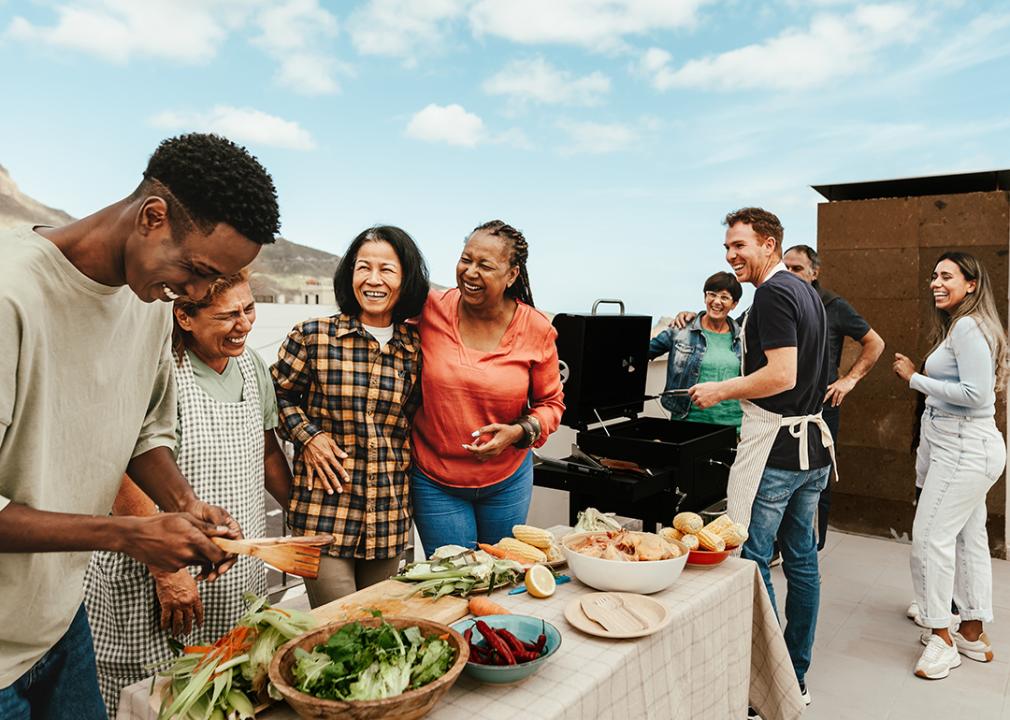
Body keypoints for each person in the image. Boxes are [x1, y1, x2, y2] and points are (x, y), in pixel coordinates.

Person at [0, 133, 280, 718]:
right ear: (153, 217)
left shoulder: (147, 302)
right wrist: (131, 535)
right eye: (197, 270)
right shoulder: (11, 296)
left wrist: (182, 500)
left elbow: (143, 430)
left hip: (57, 622)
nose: (198, 294)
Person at [82, 271, 291, 714]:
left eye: (249, 309)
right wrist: (166, 571)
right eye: (228, 315)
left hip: (233, 572)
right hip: (155, 571)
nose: (245, 325)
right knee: (153, 698)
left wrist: (299, 512)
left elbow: (268, 451)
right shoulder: (154, 365)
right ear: (185, 316)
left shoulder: (251, 366)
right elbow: (120, 469)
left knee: (227, 690)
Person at [688, 207, 831, 708]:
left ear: (769, 244)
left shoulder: (772, 294)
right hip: (812, 449)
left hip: (775, 447)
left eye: (740, 246)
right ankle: (797, 675)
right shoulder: (806, 291)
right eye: (727, 247)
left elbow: (782, 374)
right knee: (802, 560)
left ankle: (769, 683)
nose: (732, 256)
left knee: (750, 560)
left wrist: (721, 390)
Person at [272, 226, 429, 608]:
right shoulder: (312, 336)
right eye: (363, 268)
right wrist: (308, 436)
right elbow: (276, 396)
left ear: (405, 278)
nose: (373, 280)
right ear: (349, 274)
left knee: (381, 627)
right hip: (324, 512)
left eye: (387, 270)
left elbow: (411, 422)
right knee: (337, 629)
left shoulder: (415, 350)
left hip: (387, 515)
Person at [410, 220, 565, 555]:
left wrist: (518, 432)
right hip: (436, 481)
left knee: (501, 580)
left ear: (512, 275)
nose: (470, 272)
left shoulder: (536, 329)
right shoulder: (429, 310)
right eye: (466, 259)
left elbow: (551, 404)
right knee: (456, 580)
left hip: (507, 483)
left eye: (485, 265)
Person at [893, 251, 1007, 680]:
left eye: (947, 276)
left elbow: (976, 395)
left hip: (963, 447)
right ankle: (971, 633)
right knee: (967, 537)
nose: (935, 282)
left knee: (928, 539)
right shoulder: (967, 326)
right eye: (933, 275)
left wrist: (913, 378)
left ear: (972, 283)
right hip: (965, 445)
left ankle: (941, 637)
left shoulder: (967, 326)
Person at [783, 245, 885, 550]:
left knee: (818, 479)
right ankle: (780, 545)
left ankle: (812, 547)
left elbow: (875, 343)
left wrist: (849, 380)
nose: (789, 274)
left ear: (815, 273)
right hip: (780, 408)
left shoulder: (833, 305)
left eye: (797, 269)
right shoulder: (777, 301)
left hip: (821, 409)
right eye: (785, 268)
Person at [649, 271, 743, 427]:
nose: (717, 301)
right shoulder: (681, 330)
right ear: (705, 297)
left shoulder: (742, 336)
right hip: (688, 422)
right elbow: (642, 352)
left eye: (724, 297)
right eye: (712, 294)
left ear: (734, 304)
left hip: (734, 425)